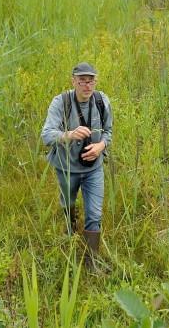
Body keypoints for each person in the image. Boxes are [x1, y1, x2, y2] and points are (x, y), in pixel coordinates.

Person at [41, 62, 112, 270]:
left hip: (94, 169)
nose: (87, 86)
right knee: (67, 205)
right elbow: (46, 135)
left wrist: (101, 146)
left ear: (95, 82)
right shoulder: (60, 103)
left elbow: (108, 132)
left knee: (94, 214)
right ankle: (69, 237)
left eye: (90, 81)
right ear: (73, 82)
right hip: (67, 168)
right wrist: (69, 135)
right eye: (82, 81)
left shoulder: (101, 101)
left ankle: (92, 263)